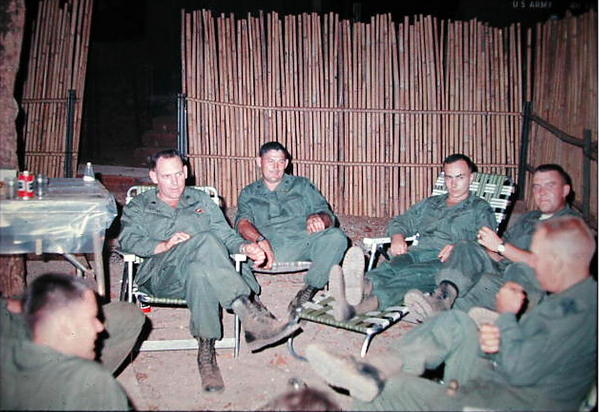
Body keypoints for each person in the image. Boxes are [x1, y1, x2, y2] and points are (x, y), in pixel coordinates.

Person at [306, 216, 597, 411]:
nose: (533, 262)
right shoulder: (575, 297)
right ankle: (372, 366)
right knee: (457, 322)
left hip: (506, 402)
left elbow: (521, 371)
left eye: (538, 256)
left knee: (384, 391)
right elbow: (541, 355)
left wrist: (507, 317)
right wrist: (499, 336)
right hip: (507, 385)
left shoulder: (575, 309)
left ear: (559, 261)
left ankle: (372, 376)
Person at [119, 149, 299, 393]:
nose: (174, 182)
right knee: (204, 241)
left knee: (199, 269)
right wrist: (163, 245)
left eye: (179, 174)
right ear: (154, 177)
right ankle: (249, 310)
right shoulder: (139, 205)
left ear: (186, 172)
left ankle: (206, 353)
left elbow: (226, 236)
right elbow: (128, 239)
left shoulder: (201, 200)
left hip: (202, 275)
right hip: (161, 275)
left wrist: (246, 247)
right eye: (166, 176)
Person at [330, 154, 496, 320]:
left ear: (471, 177)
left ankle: (359, 306)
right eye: (449, 177)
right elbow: (403, 221)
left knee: (409, 277)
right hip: (417, 252)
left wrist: (459, 248)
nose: (453, 184)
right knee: (391, 267)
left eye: (460, 177)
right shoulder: (431, 203)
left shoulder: (479, 208)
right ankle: (362, 285)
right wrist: (397, 236)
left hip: (445, 261)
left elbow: (487, 246)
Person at [405, 163, 581, 321]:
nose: (541, 193)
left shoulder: (572, 225)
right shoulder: (529, 218)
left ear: (565, 190)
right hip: (500, 278)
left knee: (513, 272)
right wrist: (471, 251)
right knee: (465, 253)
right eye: (536, 187)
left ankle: (490, 319)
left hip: (529, 290)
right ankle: (442, 300)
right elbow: (498, 256)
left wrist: (501, 247)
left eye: (549, 186)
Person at [235, 141, 350, 316]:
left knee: (336, 238)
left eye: (280, 161)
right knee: (228, 251)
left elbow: (328, 216)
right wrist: (260, 240)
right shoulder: (249, 192)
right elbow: (242, 223)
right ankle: (253, 302)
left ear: (287, 163)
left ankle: (309, 291)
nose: (275, 167)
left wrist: (318, 218)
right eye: (270, 161)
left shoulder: (302, 185)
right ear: (259, 161)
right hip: (262, 249)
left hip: (299, 243)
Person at [0, 273, 146, 410]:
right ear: (65, 326)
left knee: (127, 316)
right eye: (92, 319)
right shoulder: (98, 382)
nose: (100, 326)